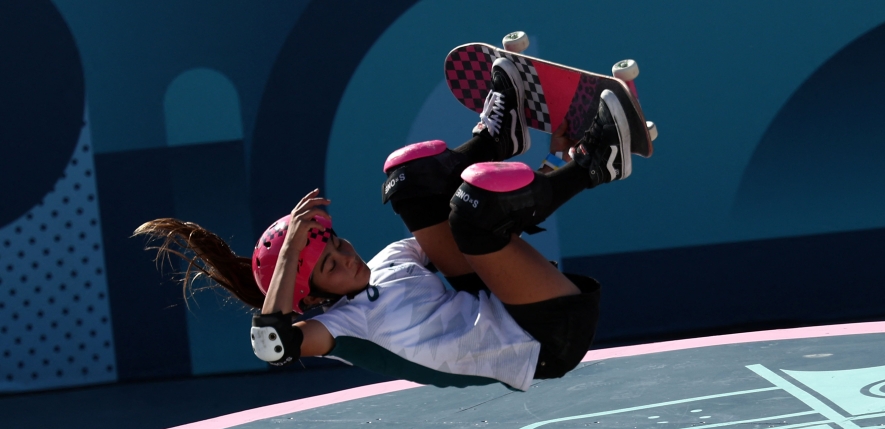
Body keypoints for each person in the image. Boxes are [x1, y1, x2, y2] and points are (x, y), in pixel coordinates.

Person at [136, 57, 640, 391]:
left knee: (407, 178)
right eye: (330, 265)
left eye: (336, 242)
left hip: (504, 302)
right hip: (545, 341)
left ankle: (499, 137)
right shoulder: (341, 328)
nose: (347, 256)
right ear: (310, 297)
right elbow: (273, 344)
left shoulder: (389, 262)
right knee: (475, 212)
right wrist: (290, 251)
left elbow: (437, 212)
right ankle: (598, 162)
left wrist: (530, 189)